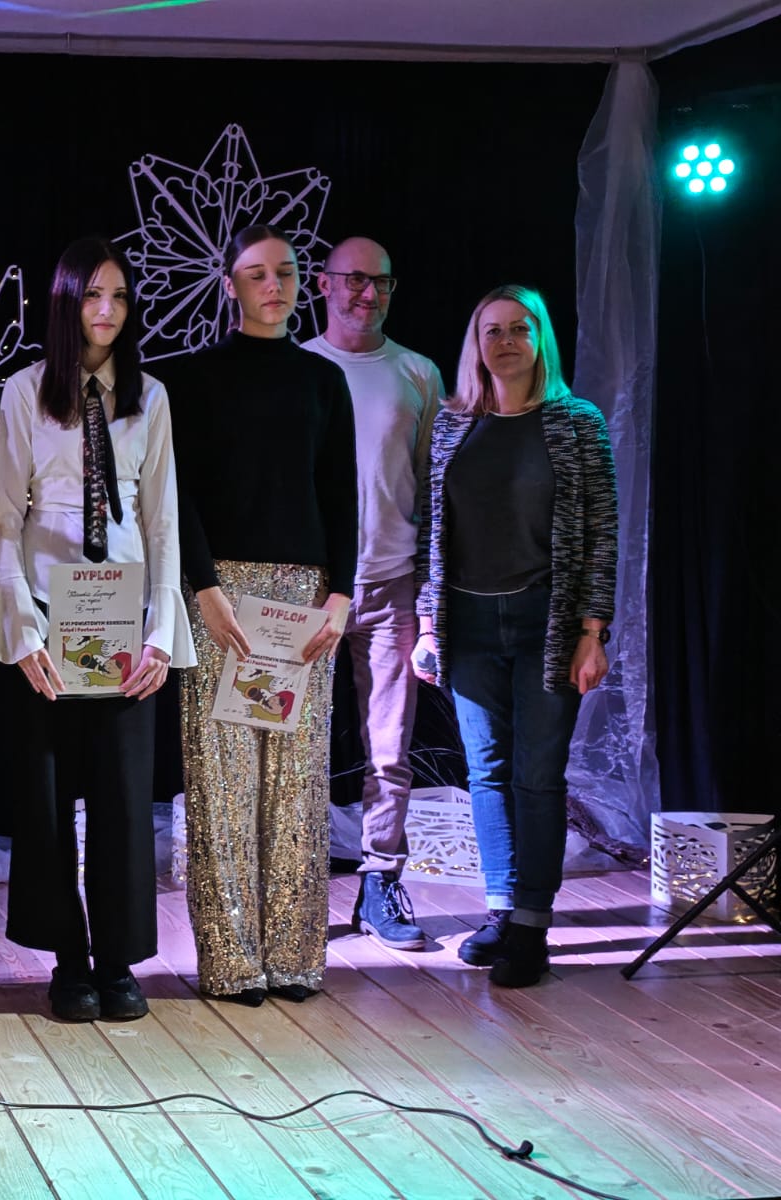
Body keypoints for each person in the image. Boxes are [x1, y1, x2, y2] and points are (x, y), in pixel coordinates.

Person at [0, 235, 195, 1023]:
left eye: (120, 296)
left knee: (122, 799)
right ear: (66, 303)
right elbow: (5, 518)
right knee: (47, 799)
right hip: (47, 616)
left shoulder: (152, 397)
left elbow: (163, 519)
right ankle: (67, 959)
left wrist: (162, 632)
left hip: (126, 618)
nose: (107, 310)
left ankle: (116, 961)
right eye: (92, 295)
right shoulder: (24, 392)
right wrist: (21, 628)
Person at [168, 224, 357, 1005]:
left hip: (304, 594)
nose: (272, 286)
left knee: (296, 780)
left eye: (285, 272)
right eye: (256, 274)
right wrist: (203, 587)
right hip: (222, 594)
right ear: (231, 285)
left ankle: (293, 954)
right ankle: (232, 958)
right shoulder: (192, 378)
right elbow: (177, 493)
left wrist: (340, 594)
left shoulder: (322, 381)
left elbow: (340, 490)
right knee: (223, 779)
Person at [414, 284, 617, 988]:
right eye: (491, 330)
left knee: (537, 775)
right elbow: (432, 531)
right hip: (467, 625)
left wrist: (593, 631)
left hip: (546, 624)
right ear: (475, 345)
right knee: (486, 773)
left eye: (518, 329)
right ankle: (501, 911)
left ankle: (532, 925)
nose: (505, 342)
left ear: (540, 339)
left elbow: (601, 535)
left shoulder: (577, 423)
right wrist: (426, 623)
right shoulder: (452, 426)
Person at [302, 236, 444, 951]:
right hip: (309, 589)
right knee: (292, 746)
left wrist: (427, 596)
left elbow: (432, 487)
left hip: (392, 586)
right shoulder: (299, 368)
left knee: (389, 750)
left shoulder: (418, 373)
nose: (367, 293)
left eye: (381, 282)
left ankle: (381, 882)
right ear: (323, 284)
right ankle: (293, 892)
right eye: (354, 279)